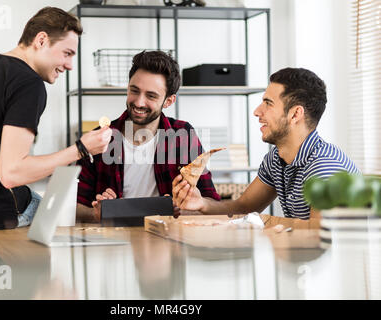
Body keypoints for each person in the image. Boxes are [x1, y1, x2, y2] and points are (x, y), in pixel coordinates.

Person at [0, 7, 112, 260]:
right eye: (67, 53)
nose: (70, 65)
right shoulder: (29, 84)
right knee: (67, 225)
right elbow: (12, 173)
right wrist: (80, 149)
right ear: (41, 40)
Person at [172, 67, 359, 220]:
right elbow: (244, 207)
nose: (256, 111)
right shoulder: (277, 159)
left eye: (268, 103)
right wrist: (202, 203)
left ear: (295, 114)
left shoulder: (325, 169)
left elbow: (322, 245)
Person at [76, 50, 220, 222]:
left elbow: (211, 203)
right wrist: (99, 213)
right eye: (134, 91)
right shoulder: (99, 137)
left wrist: (184, 209)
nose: (138, 102)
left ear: (169, 101)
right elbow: (75, 207)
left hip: (168, 240)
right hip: (114, 241)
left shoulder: (183, 135)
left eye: (151, 96)